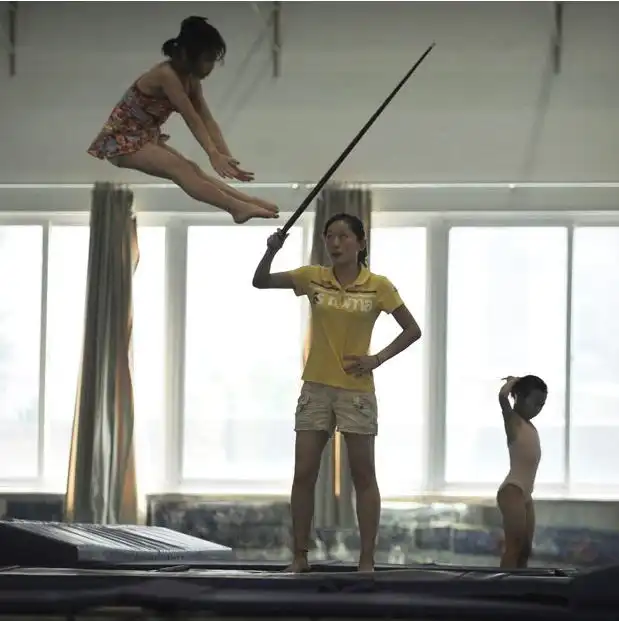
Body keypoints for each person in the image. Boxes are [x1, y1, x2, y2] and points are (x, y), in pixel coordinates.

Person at [252, 213, 422, 572]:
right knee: (304, 473)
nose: (335, 243)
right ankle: (299, 557)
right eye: (330, 236)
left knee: (363, 476)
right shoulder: (313, 276)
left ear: (360, 243)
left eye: (344, 236)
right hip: (316, 387)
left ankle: (366, 559)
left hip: (356, 391)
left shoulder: (378, 285)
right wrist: (271, 250)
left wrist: (376, 359)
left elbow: (412, 329)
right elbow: (260, 281)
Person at [87, 16, 279, 224]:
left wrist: (225, 157)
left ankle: (246, 201)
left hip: (144, 137)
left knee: (193, 169)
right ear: (188, 55)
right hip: (121, 141)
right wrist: (212, 153)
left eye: (213, 60)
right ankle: (236, 208)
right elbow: (192, 119)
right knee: (181, 170)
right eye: (207, 60)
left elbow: (207, 120)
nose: (210, 67)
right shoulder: (166, 75)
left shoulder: (191, 80)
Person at [497, 374, 548, 569]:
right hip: (513, 490)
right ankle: (502, 587)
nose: (538, 409)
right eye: (535, 403)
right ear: (519, 397)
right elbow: (502, 397)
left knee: (525, 550)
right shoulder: (514, 422)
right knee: (514, 547)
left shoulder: (530, 427)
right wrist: (513, 382)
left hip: (526, 494)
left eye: (541, 405)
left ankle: (519, 585)